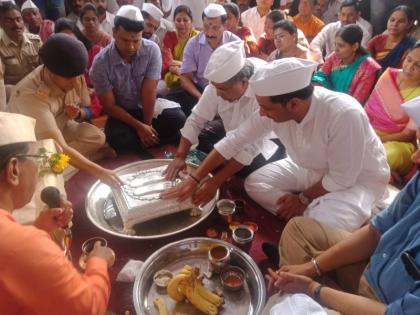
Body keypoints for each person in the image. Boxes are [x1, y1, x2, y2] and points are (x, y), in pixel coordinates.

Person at [163, 58, 390, 232]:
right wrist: (195, 179)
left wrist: (302, 198)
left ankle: (322, 216)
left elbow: (342, 178)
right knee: (255, 184)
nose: (261, 113)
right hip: (309, 168)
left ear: (293, 103)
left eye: (266, 108)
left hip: (355, 182)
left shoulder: (344, 113)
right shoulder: (275, 109)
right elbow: (235, 140)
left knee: (324, 223)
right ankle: (308, 216)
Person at [261, 114, 420, 314]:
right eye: (418, 144)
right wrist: (312, 267)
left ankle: (300, 298)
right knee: (298, 228)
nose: (414, 158)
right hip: (375, 266)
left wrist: (313, 288)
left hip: (384, 307)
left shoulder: (346, 115)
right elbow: (375, 232)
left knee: (279, 308)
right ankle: (299, 297)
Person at [0, 112, 115, 315]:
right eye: (36, 159)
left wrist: (39, 228)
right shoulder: (24, 244)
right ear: (14, 170)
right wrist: (98, 262)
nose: (37, 168)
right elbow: (88, 307)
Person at [164, 41, 283, 204]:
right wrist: (180, 156)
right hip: (233, 133)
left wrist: (215, 180)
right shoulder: (218, 85)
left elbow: (248, 146)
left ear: (244, 81)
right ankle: (224, 167)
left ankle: (230, 171)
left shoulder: (263, 91)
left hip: (266, 141)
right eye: (216, 88)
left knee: (245, 168)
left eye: (223, 90)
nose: (218, 94)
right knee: (206, 137)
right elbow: (196, 118)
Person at [9, 34, 120, 186]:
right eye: (69, 79)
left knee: (97, 137)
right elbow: (61, 147)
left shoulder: (72, 71)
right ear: (51, 72)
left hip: (61, 125)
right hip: (32, 144)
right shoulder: (31, 96)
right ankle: (78, 163)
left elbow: (87, 108)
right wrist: (100, 172)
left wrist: (79, 114)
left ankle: (70, 166)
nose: (75, 83)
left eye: (77, 76)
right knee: (43, 175)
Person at [90, 5, 186, 154]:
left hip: (146, 107)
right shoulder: (100, 63)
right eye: (126, 40)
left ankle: (143, 143)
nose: (131, 47)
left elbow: (149, 93)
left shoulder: (152, 50)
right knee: (117, 137)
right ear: (114, 33)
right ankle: (153, 141)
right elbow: (109, 106)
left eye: (136, 40)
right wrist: (140, 127)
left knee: (178, 118)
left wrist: (146, 126)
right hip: (122, 111)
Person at [165, 3, 240, 116]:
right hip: (199, 91)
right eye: (206, 27)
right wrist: (202, 99)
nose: (209, 33)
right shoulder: (193, 44)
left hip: (227, 92)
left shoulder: (235, 43)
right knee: (171, 108)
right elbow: (185, 78)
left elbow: (240, 78)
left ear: (225, 25)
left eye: (215, 27)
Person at [364, 41, 420, 179]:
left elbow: (407, 135)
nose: (409, 67)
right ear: (405, 56)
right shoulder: (388, 75)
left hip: (397, 142)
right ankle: (383, 174)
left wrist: (377, 139)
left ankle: (379, 172)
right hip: (368, 129)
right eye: (409, 60)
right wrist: (366, 133)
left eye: (418, 65)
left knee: (391, 154)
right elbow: (368, 110)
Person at [312, 24, 381, 105]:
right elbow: (319, 77)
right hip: (326, 102)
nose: (336, 49)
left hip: (348, 109)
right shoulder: (335, 57)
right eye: (335, 44)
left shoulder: (369, 68)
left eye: (341, 45)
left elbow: (357, 100)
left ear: (355, 46)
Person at [55, 17, 104, 119]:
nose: (68, 45)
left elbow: (95, 100)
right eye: (63, 40)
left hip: (91, 101)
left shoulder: (94, 52)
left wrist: (79, 113)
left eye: (71, 40)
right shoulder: (54, 63)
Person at [0, 2, 41, 102]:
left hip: (37, 89)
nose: (16, 25)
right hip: (13, 93)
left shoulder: (35, 41)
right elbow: (2, 80)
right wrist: (28, 77)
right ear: (1, 23)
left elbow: (45, 70)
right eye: (9, 21)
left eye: (19, 19)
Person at [161, 5, 199, 91]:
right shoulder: (170, 36)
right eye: (178, 20)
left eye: (185, 20)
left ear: (191, 22)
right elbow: (168, 62)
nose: (182, 23)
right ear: (174, 22)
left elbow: (199, 63)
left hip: (192, 73)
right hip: (173, 74)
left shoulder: (197, 37)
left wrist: (180, 67)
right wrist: (183, 68)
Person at [367, 5, 416, 71]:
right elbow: (366, 64)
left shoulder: (412, 46)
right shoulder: (376, 41)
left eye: (401, 21)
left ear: (409, 24)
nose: (395, 24)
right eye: (392, 20)